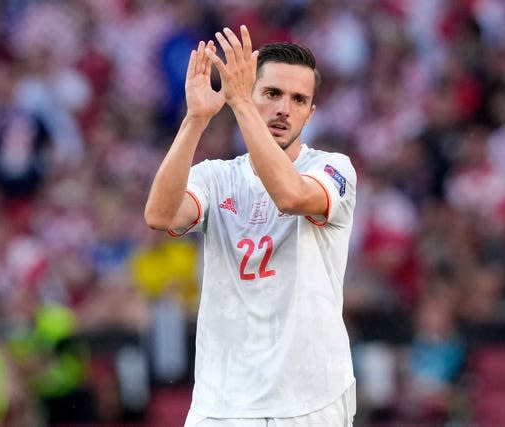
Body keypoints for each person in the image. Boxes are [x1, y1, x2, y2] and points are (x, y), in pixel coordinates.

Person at [144, 25, 357, 426]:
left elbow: (290, 196)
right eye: (272, 94)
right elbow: (160, 215)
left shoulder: (332, 169)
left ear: (311, 114)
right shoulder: (217, 177)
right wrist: (194, 120)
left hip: (308, 399)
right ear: (247, 91)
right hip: (222, 402)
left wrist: (241, 104)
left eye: (298, 100)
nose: (284, 109)